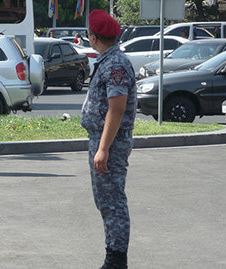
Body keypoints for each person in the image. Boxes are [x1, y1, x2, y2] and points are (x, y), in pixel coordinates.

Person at [81, 9, 137, 269]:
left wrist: (103, 149)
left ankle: (116, 260)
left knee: (112, 201)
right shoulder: (109, 60)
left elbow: (117, 108)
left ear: (94, 37)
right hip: (103, 140)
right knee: (106, 200)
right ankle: (113, 254)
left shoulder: (114, 64)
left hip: (111, 143)